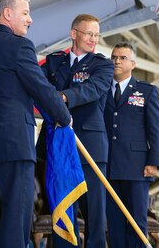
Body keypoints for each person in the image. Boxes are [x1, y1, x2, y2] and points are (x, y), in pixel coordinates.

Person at [0, 0, 71, 248]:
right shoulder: (19, 46)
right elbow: (41, 88)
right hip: (13, 145)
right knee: (16, 217)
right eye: (25, 13)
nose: (30, 19)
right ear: (7, 14)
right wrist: (64, 117)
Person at [36, 14, 114, 247]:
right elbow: (38, 88)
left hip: (90, 148)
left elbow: (92, 90)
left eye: (96, 35)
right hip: (58, 147)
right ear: (74, 34)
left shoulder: (102, 65)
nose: (93, 39)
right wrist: (51, 99)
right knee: (62, 210)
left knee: (95, 214)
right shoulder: (53, 62)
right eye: (89, 34)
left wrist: (60, 98)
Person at [104, 42, 159, 248]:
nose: (117, 61)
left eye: (122, 58)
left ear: (134, 64)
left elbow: (155, 128)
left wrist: (154, 161)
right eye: (114, 57)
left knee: (137, 222)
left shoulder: (146, 91)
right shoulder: (101, 89)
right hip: (109, 167)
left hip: (137, 167)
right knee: (114, 223)